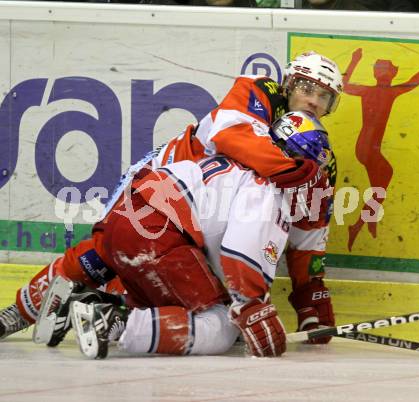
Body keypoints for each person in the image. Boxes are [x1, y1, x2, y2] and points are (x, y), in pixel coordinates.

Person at [0, 51, 343, 348]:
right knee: (104, 253)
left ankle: (103, 310)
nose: (313, 100)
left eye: (324, 97)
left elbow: (308, 234)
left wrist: (310, 301)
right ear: (288, 85)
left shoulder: (313, 158)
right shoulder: (259, 91)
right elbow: (231, 137)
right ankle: (21, 311)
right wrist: (293, 170)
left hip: (199, 215)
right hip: (162, 183)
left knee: (186, 300)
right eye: (306, 88)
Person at [38, 111, 334, 359]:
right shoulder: (266, 187)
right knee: (220, 328)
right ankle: (115, 322)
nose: (318, 181)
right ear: (299, 159)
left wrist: (242, 304)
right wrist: (251, 308)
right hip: (156, 235)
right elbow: (240, 251)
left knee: (174, 309)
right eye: (316, 169)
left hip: (127, 221)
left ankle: (85, 302)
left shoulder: (241, 161)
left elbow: (220, 253)